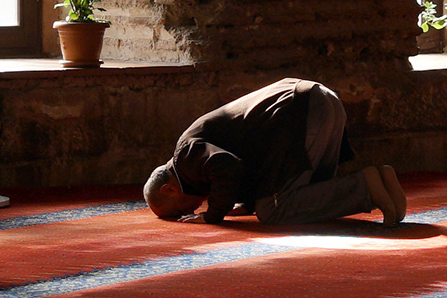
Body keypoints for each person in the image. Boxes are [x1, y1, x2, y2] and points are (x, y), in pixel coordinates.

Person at [142, 76, 408, 226]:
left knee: (272, 210)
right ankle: (384, 182)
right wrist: (244, 205)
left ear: (169, 190)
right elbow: (244, 162)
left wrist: (213, 216)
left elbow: (228, 166)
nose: (188, 213)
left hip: (302, 112)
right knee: (306, 192)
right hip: (321, 100)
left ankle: (367, 188)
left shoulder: (185, 156)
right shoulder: (191, 153)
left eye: (177, 211)